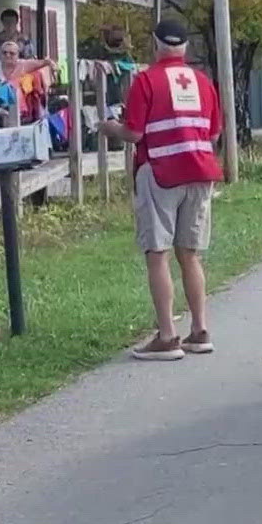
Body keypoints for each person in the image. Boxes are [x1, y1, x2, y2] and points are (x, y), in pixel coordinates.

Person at [100, 19, 222, 360]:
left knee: (158, 253)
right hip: (200, 172)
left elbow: (135, 134)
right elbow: (213, 134)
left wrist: (110, 128)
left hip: (161, 173)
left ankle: (167, 336)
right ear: (185, 48)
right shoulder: (202, 81)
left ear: (156, 44)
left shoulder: (146, 80)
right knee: (190, 253)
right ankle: (199, 330)